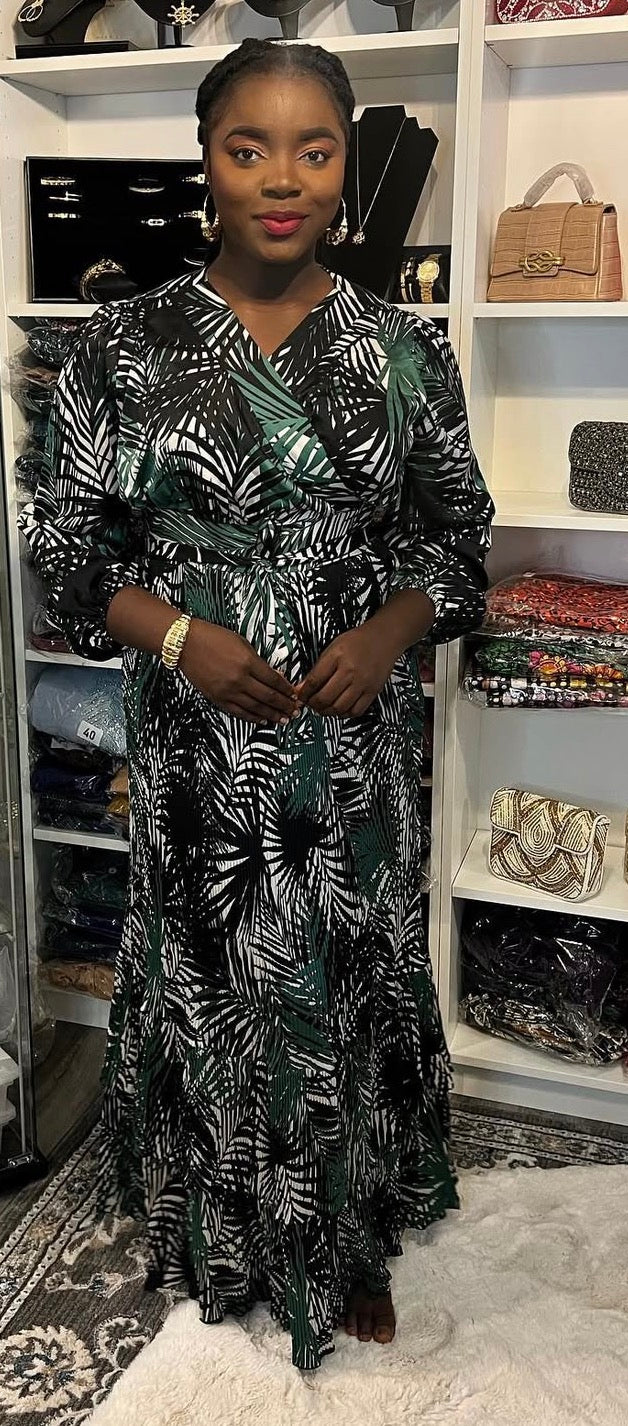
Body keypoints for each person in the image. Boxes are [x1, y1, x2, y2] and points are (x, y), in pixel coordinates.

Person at [20, 37, 494, 1371]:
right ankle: (219, 1222)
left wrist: (388, 631)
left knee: (347, 970)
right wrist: (181, 636)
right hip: (200, 748)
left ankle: (343, 1235)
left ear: (346, 170)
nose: (282, 179)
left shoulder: (401, 349)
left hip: (351, 746)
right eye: (249, 148)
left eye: (314, 150)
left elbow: (459, 542)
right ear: (206, 162)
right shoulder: (119, 348)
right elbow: (69, 552)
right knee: (217, 974)